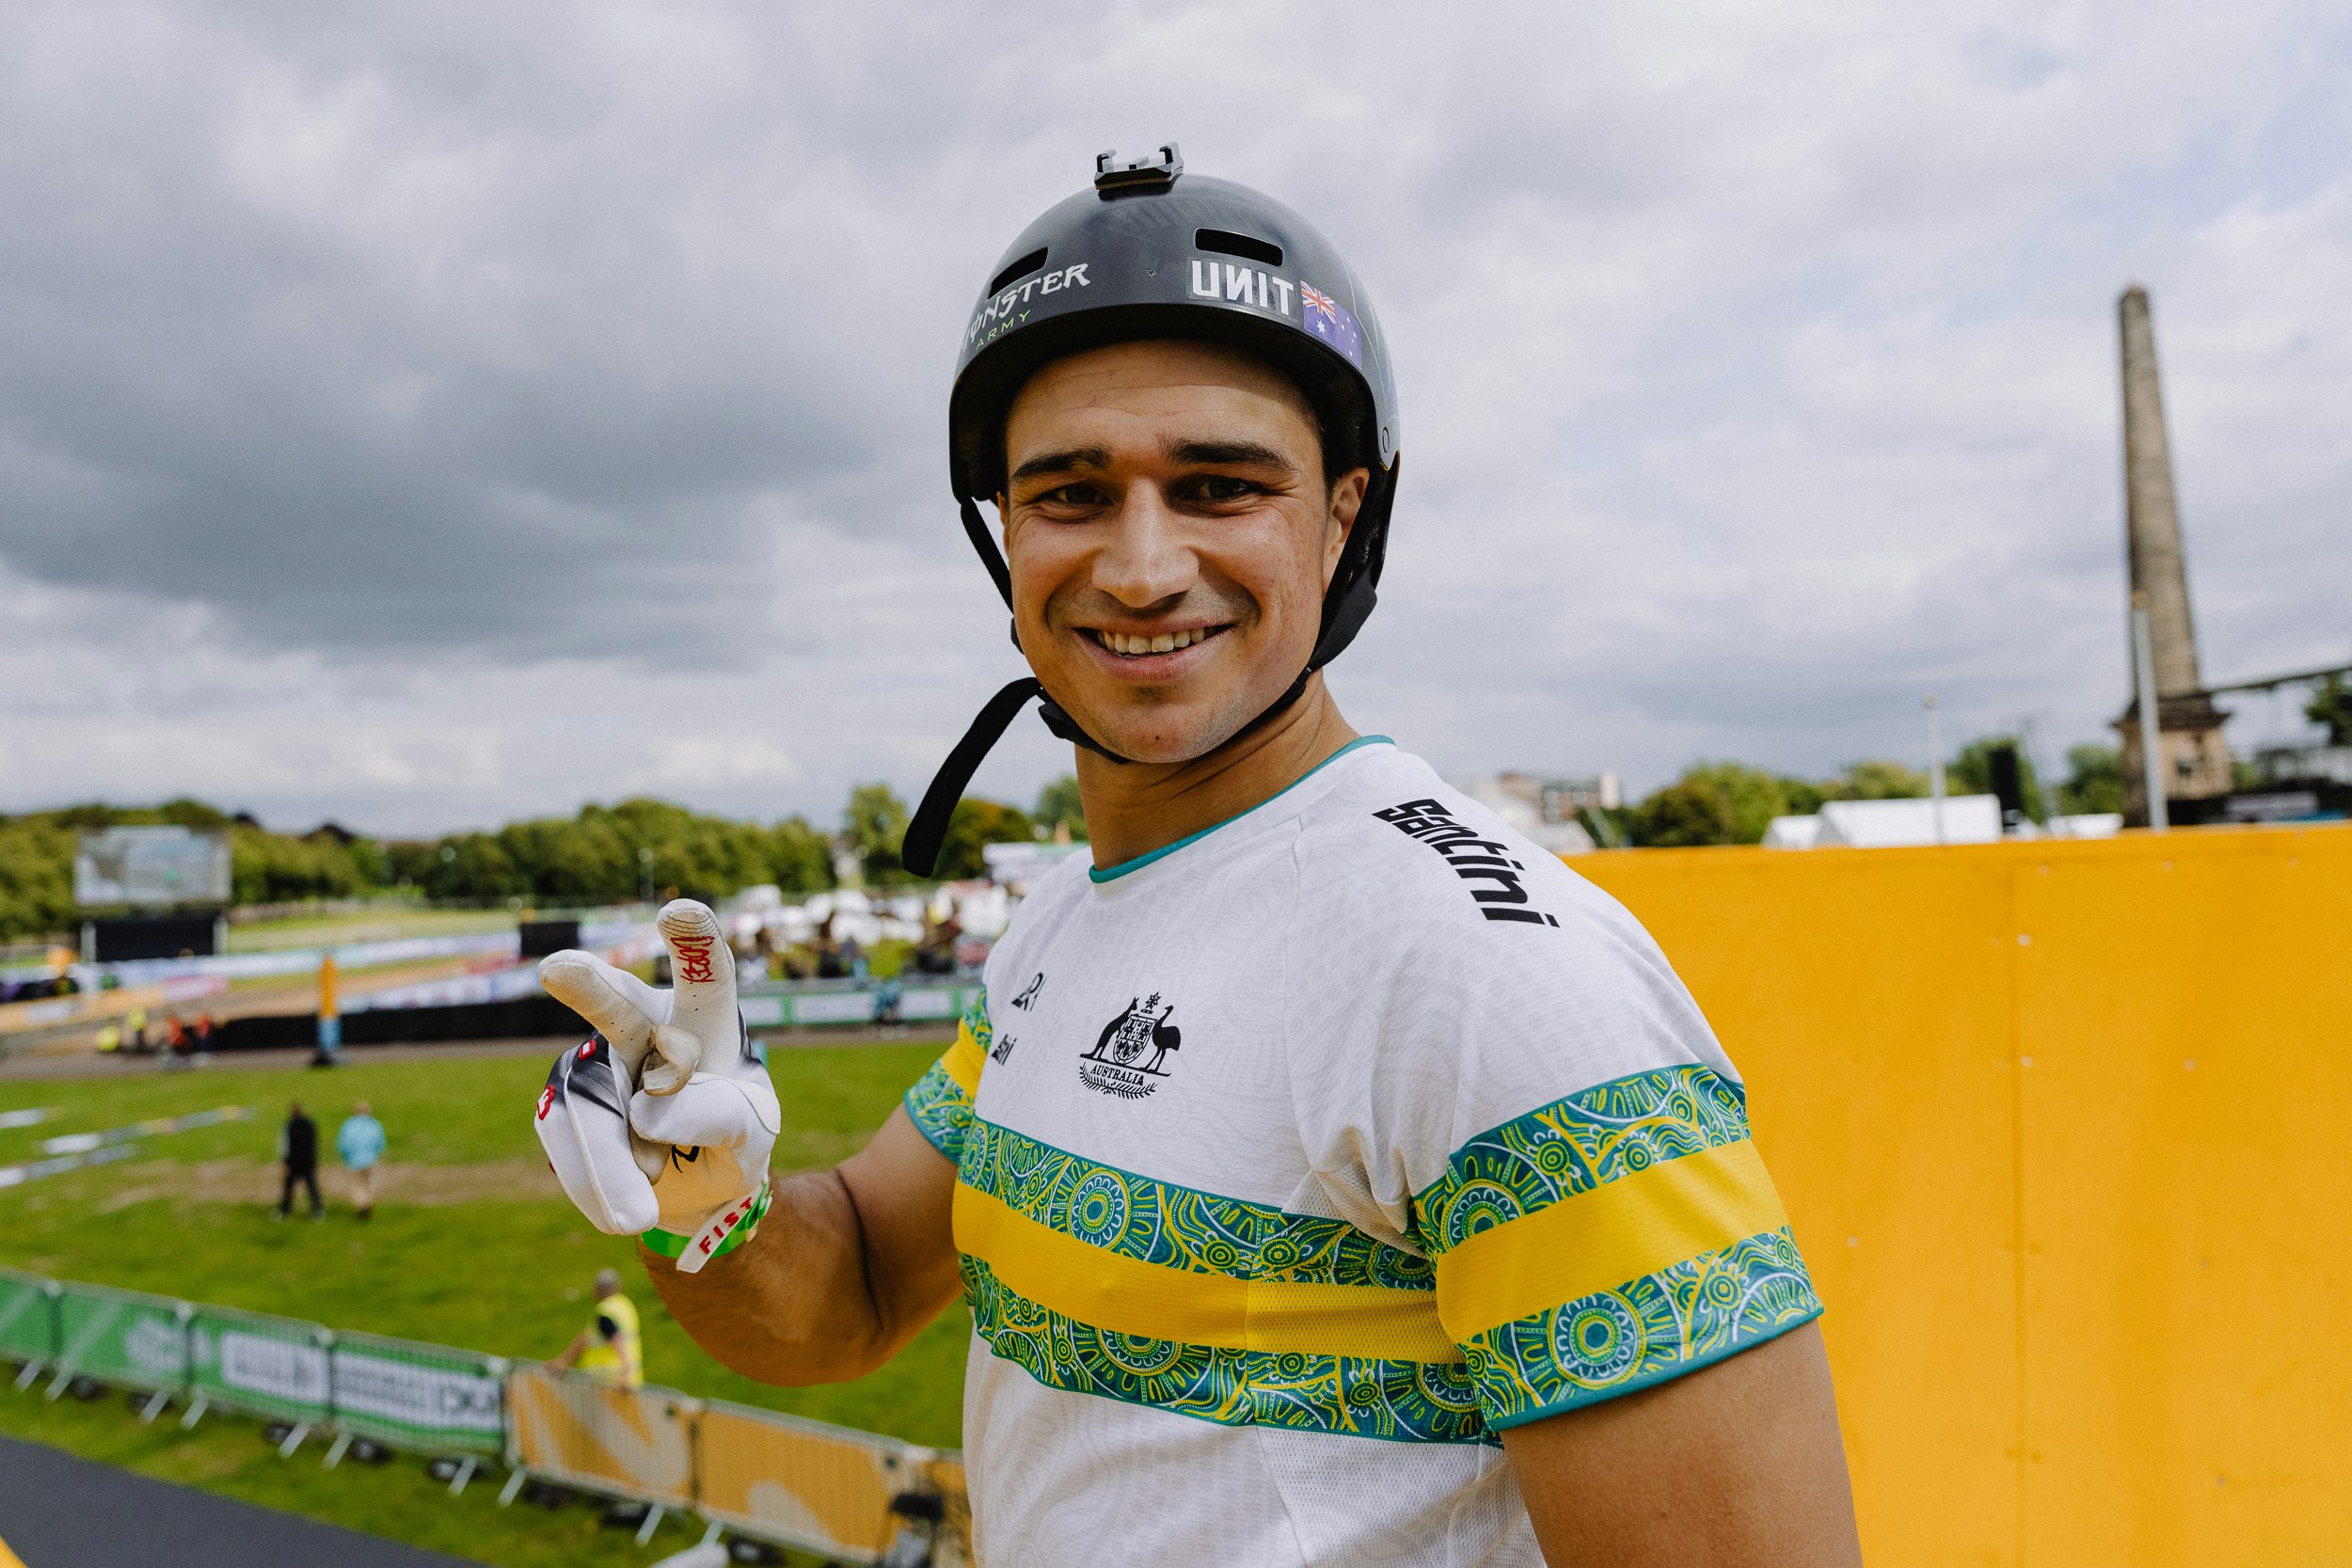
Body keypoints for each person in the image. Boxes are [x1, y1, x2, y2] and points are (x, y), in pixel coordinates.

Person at [534, 149, 1860, 1567]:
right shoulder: (1062, 922)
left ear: (1346, 514)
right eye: (1071, 493)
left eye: (1221, 485)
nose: (1142, 565)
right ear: (1002, 534)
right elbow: (847, 1291)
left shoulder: (1489, 976)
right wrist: (702, 1193)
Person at [547, 1269, 642, 1389]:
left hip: (610, 1382)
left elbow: (616, 1338)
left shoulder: (604, 1311)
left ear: (597, 1290)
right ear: (618, 1287)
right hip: (631, 1383)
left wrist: (625, 1374)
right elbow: (586, 1337)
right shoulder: (626, 1306)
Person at [337, 1101, 386, 1221]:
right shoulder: (374, 1124)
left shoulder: (349, 1125)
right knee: (368, 1183)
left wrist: (346, 1157)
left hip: (354, 1161)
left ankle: (361, 1205)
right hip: (370, 1160)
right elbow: (380, 1143)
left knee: (356, 1185)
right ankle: (368, 1203)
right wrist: (375, 1154)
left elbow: (344, 1144)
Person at [275, 1101, 322, 1220]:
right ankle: (317, 1210)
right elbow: (314, 1145)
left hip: (293, 1162)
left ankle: (285, 1210)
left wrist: (286, 1163)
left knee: (289, 1188)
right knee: (311, 1186)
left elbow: (285, 1146)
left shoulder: (289, 1126)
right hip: (307, 1161)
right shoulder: (310, 1125)